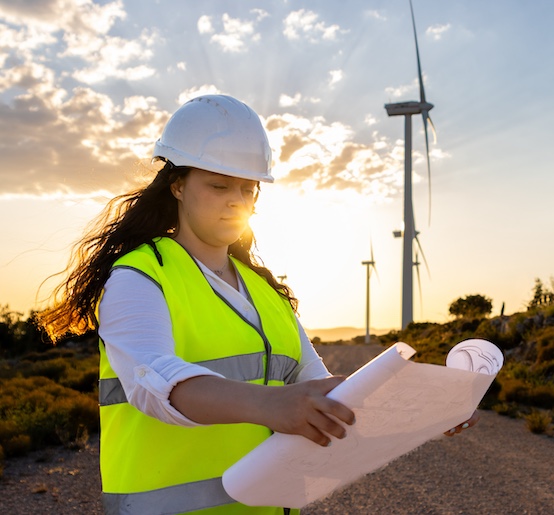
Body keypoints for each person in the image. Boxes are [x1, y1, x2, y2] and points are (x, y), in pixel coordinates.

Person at [39, 94, 477, 515]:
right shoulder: (140, 276)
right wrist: (273, 405)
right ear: (177, 185)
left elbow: (322, 395)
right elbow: (153, 381)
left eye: (248, 188)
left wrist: (421, 415)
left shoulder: (267, 292)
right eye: (218, 185)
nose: (236, 200)